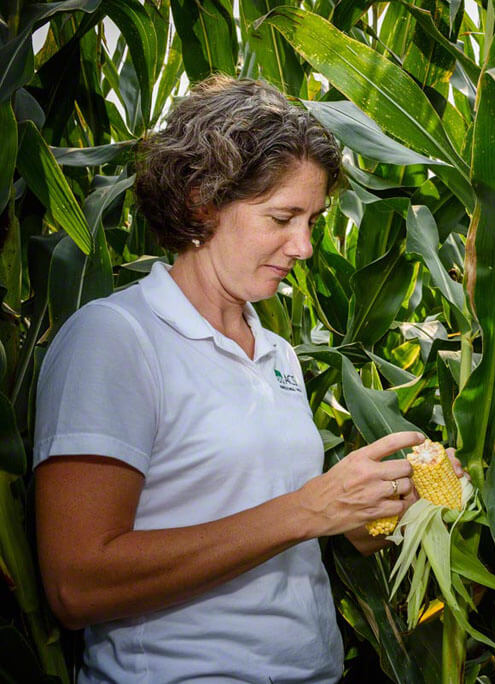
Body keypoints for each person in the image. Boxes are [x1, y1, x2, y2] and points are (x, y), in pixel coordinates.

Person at [32, 75, 459, 683]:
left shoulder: (278, 353)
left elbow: (303, 531)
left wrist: (395, 507)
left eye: (312, 219)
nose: (305, 246)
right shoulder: (116, 339)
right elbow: (76, 585)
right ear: (201, 201)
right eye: (283, 217)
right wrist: (308, 510)